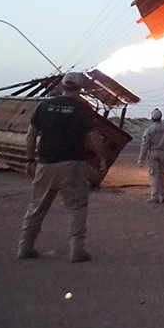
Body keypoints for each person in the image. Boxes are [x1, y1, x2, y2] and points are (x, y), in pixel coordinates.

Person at [17, 72, 104, 262]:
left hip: (45, 164)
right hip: (72, 164)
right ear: (80, 89)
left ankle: (24, 247)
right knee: (77, 207)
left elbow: (30, 135)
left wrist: (30, 159)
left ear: (62, 86)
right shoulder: (83, 108)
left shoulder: (44, 106)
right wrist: (102, 158)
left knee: (36, 207)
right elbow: (94, 137)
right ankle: (76, 251)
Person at [138, 108, 164, 203]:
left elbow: (145, 145)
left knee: (154, 175)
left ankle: (154, 196)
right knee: (162, 175)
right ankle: (163, 196)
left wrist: (141, 159)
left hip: (153, 153)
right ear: (160, 117)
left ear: (152, 118)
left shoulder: (149, 130)